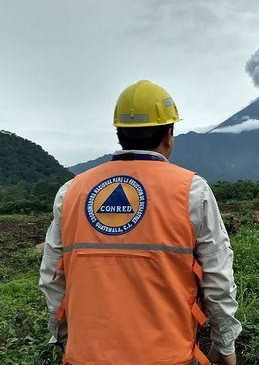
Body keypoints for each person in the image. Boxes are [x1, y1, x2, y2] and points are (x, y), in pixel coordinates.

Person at [39, 80, 241, 364]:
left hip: (86, 356)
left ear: (119, 134)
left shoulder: (71, 192)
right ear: (169, 135)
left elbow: (52, 277)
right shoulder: (191, 191)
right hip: (169, 356)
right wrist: (225, 343)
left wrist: (65, 339)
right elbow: (217, 277)